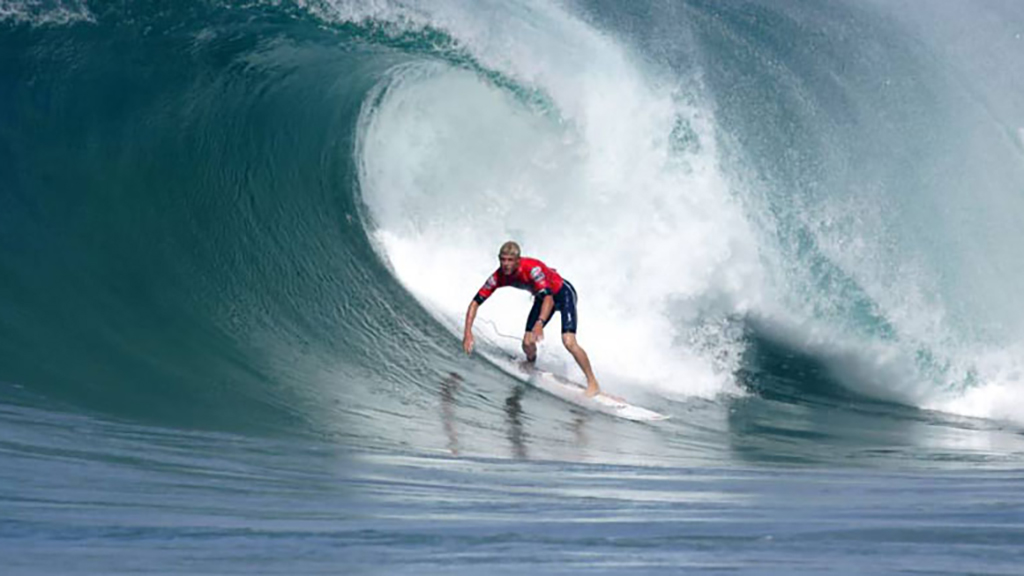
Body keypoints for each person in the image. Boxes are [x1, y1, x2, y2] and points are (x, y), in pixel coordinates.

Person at [462, 241, 602, 397]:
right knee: (527, 343)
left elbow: (549, 298)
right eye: (503, 259)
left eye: (510, 260)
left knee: (568, 341)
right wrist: (468, 332)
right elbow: (475, 303)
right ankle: (530, 363)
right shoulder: (498, 277)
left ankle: (593, 383)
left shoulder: (532, 270)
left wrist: (540, 323)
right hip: (542, 299)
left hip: (563, 295)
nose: (506, 264)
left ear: (518, 260)